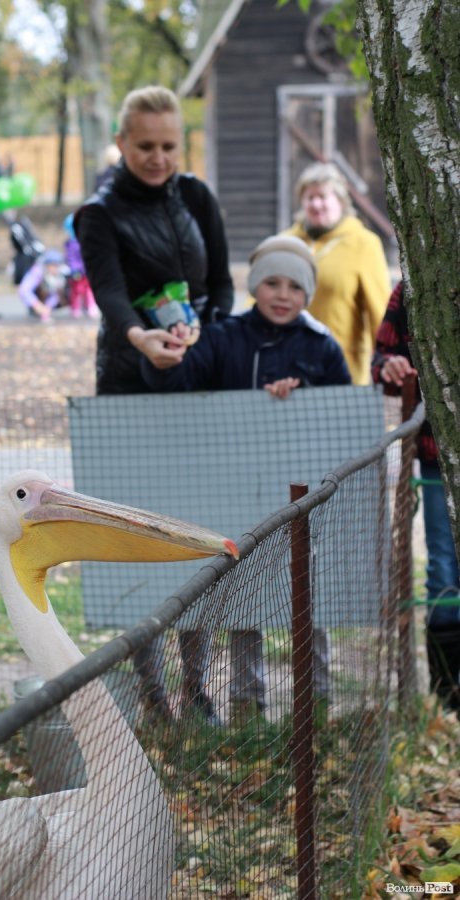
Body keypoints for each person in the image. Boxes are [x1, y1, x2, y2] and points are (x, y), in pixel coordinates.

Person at [74, 85, 235, 725]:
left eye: (169, 145)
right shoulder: (99, 212)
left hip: (195, 372)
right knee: (136, 531)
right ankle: (152, 692)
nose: (158, 157)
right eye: (145, 145)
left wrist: (205, 332)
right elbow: (110, 297)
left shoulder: (196, 195)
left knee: (197, 527)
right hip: (130, 378)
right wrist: (143, 338)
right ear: (121, 142)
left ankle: (198, 688)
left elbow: (219, 283)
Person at [142, 235, 351, 713]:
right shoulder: (221, 337)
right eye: (271, 283)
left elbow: (341, 412)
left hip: (297, 494)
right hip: (231, 488)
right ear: (255, 286)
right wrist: (164, 354)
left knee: (307, 593)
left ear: (308, 294)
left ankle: (315, 696)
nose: (282, 294)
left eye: (295, 286)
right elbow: (177, 382)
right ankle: (245, 699)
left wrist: (305, 393)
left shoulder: (322, 348)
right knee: (243, 596)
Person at [372, 282, 460, 713]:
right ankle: (446, 695)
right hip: (438, 455)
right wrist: (390, 366)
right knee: (444, 568)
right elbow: (381, 357)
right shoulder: (414, 287)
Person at [283, 162, 390, 385]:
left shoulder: (363, 243)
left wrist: (386, 361)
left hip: (341, 369)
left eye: (323, 196)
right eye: (309, 197)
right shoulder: (285, 242)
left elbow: (379, 312)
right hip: (287, 370)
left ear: (340, 201)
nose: (316, 204)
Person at [63, 214, 99, 319]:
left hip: (87, 270)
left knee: (88, 289)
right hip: (78, 272)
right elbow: (71, 258)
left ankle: (90, 306)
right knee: (77, 290)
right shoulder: (72, 243)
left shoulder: (85, 240)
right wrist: (75, 270)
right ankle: (76, 308)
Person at [18, 249, 67, 323]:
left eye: (57, 265)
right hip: (35, 297)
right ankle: (35, 310)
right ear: (47, 264)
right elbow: (24, 290)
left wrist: (48, 308)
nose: (55, 268)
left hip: (46, 299)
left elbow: (55, 295)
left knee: (60, 291)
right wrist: (37, 305)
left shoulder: (59, 275)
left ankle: (45, 312)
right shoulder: (37, 272)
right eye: (53, 265)